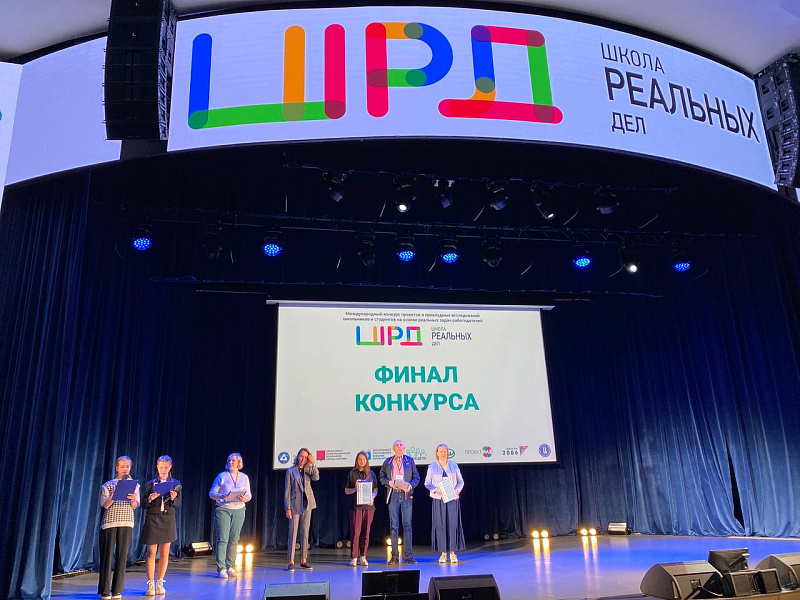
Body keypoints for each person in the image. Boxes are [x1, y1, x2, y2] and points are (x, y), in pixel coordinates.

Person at [98, 455, 140, 600]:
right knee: (107, 556)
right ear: (117, 467)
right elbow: (105, 505)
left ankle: (117, 590)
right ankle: (105, 591)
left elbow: (134, 506)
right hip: (110, 522)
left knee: (122, 556)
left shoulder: (135, 485)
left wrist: (133, 499)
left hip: (126, 522)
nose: (125, 469)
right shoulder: (108, 484)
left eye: (127, 466)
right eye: (122, 466)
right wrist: (115, 494)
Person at [140, 455, 182, 596]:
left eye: (166, 467)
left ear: (170, 467)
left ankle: (160, 582)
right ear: (157, 467)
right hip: (153, 519)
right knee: (151, 553)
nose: (163, 470)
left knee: (164, 553)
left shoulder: (176, 484)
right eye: (161, 467)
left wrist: (174, 498)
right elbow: (143, 504)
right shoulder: (150, 484)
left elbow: (178, 504)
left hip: (168, 519)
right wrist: (150, 499)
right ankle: (150, 583)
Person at [209, 452, 252, 579]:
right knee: (223, 539)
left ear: (239, 463)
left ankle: (231, 566)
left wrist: (245, 498)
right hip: (223, 509)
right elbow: (211, 493)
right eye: (229, 460)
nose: (231, 462)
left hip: (239, 509)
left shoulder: (244, 477)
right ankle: (221, 568)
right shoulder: (222, 476)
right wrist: (222, 496)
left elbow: (249, 494)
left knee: (234, 540)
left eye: (233, 460)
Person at [379, 440, 420, 565]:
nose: (399, 447)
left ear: (404, 448)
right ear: (393, 448)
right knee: (394, 526)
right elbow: (381, 477)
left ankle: (409, 556)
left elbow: (416, 477)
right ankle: (395, 556)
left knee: (407, 526)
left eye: (401, 445)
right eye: (397, 445)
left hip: (406, 495)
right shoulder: (388, 462)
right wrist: (388, 482)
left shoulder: (409, 461)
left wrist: (410, 486)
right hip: (393, 495)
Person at [424, 443, 465, 563]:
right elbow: (427, 483)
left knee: (452, 524)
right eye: (441, 451)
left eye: (445, 451)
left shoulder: (453, 465)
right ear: (437, 453)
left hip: (452, 499)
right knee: (441, 525)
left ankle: (452, 552)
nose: (443, 454)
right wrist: (436, 490)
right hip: (438, 499)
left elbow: (461, 481)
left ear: (448, 453)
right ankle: (443, 553)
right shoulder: (432, 466)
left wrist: (457, 491)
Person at [284, 447, 319, 571]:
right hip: (295, 505)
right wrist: (288, 508)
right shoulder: (290, 471)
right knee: (293, 532)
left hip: (307, 504)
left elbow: (316, 478)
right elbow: (287, 491)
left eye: (305, 457)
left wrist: (313, 463)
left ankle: (304, 560)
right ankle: (291, 561)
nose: (303, 459)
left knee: (305, 532)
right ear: (297, 456)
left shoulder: (309, 469)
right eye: (301, 456)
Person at [344, 451, 378, 567]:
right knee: (355, 532)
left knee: (366, 533)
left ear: (366, 461)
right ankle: (353, 558)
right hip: (356, 507)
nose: (362, 461)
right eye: (360, 459)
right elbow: (346, 491)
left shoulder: (371, 474)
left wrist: (372, 497)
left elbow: (375, 489)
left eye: (364, 459)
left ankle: (363, 557)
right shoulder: (352, 474)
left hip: (369, 507)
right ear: (357, 461)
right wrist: (355, 488)